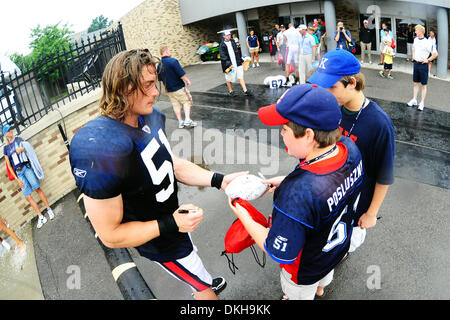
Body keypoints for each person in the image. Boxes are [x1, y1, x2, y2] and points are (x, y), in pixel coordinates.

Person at [69, 49, 248, 300]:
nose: (156, 92)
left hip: (176, 224)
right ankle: (204, 286)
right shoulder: (100, 146)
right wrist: (171, 223)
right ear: (123, 88)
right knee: (204, 291)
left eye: (155, 83)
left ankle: (202, 279)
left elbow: (168, 163)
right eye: (148, 85)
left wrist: (219, 180)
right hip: (162, 242)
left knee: (195, 269)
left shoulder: (150, 116)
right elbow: (110, 235)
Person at [229, 84, 364, 300]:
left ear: (309, 135)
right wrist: (283, 182)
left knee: (299, 294)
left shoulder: (297, 193)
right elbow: (327, 185)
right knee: (323, 278)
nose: (281, 135)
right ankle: (321, 289)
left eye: (284, 129)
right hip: (333, 251)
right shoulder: (349, 148)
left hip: (306, 268)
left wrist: (241, 212)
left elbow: (277, 249)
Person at [308, 49, 395, 255]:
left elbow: (384, 176)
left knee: (343, 247)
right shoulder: (332, 109)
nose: (326, 92)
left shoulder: (379, 124)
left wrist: (372, 213)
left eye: (332, 87)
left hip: (357, 204)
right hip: (329, 196)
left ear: (352, 83)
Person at [3, 125, 54, 229]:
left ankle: (49, 209)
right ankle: (41, 216)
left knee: (37, 188)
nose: (10, 131)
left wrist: (22, 149)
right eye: (8, 131)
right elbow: (9, 165)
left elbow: (28, 148)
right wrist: (17, 179)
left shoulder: (19, 139)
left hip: (26, 168)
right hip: (19, 173)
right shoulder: (6, 149)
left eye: (10, 129)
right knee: (27, 196)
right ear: (5, 135)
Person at [157, 46, 197, 129]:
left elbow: (160, 78)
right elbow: (181, 74)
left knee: (176, 105)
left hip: (168, 90)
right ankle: (187, 120)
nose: (170, 51)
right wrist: (187, 81)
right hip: (178, 88)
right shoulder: (173, 61)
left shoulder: (159, 65)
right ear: (166, 51)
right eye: (169, 50)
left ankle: (180, 122)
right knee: (186, 101)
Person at [407, 24, 438, 111]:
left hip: (423, 65)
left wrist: (428, 60)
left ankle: (422, 103)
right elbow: (413, 48)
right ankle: (414, 100)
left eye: (416, 30)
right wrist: (413, 56)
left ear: (420, 31)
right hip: (416, 64)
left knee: (423, 85)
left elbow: (435, 54)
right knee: (415, 83)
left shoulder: (427, 42)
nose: (415, 32)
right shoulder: (416, 39)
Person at [219, 31, 252, 96]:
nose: (229, 36)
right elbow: (223, 56)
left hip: (237, 63)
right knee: (229, 78)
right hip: (229, 65)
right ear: (224, 36)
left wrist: (241, 59)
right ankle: (231, 91)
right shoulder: (222, 45)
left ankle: (245, 90)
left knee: (240, 76)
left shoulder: (232, 41)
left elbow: (236, 52)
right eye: (227, 35)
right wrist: (229, 64)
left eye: (229, 35)